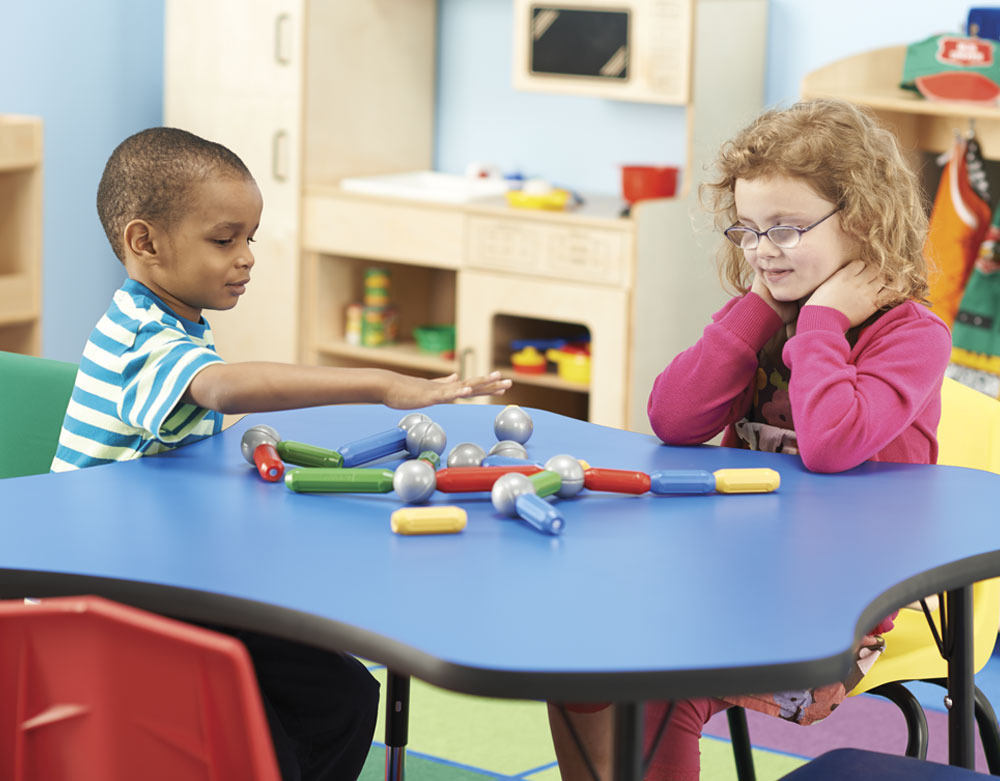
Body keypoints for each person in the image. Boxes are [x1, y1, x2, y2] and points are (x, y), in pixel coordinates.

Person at [51, 126, 511, 780]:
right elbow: (225, 384)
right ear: (144, 241)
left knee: (345, 694)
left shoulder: (174, 319)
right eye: (224, 239)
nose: (247, 258)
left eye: (250, 238)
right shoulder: (140, 335)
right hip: (104, 609)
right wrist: (381, 383)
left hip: (165, 582)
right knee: (258, 732)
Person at [547, 99, 952, 779]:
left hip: (839, 615)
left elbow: (831, 443)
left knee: (657, 688)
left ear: (863, 220)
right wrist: (759, 308)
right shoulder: (767, 315)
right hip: (736, 583)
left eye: (787, 230)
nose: (763, 250)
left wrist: (822, 321)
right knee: (577, 664)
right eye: (747, 230)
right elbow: (674, 417)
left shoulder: (910, 336)